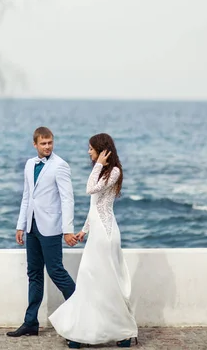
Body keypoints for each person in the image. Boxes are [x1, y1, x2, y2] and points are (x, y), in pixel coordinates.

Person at [49, 133, 138, 348]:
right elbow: (94, 205)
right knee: (90, 280)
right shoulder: (103, 171)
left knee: (104, 281)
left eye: (91, 148)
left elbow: (90, 189)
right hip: (96, 233)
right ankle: (83, 332)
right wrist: (84, 230)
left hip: (106, 235)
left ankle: (123, 333)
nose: (89, 152)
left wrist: (98, 165)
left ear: (102, 150)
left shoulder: (114, 171)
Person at [6, 126, 79, 338]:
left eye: (50, 143)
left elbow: (68, 199)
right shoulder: (30, 164)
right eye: (43, 143)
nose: (47, 147)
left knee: (56, 271)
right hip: (32, 227)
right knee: (34, 274)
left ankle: (82, 311)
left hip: (52, 227)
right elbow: (27, 196)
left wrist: (68, 230)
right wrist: (21, 225)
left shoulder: (60, 165)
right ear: (35, 144)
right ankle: (30, 323)